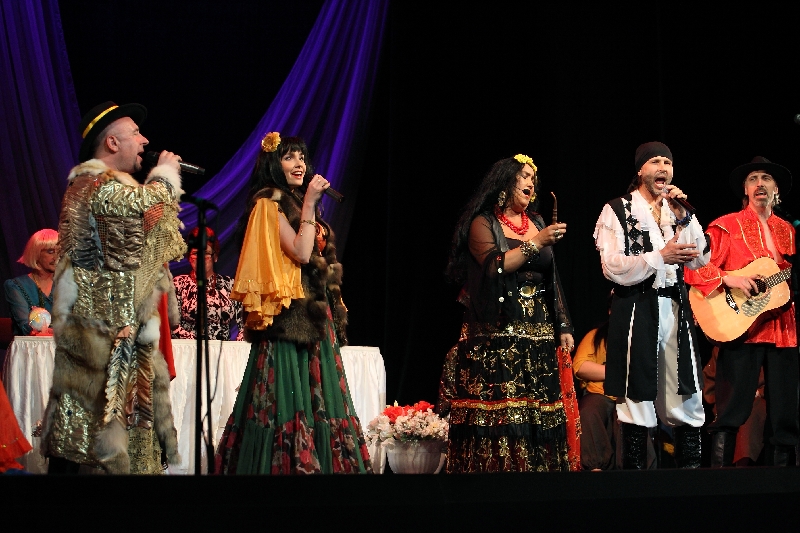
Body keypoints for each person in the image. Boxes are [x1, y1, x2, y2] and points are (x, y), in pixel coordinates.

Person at [40, 101, 186, 474]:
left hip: (119, 331)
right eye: (135, 132)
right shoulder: (91, 184)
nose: (145, 140)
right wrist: (165, 175)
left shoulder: (109, 188)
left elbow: (142, 233)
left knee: (118, 435)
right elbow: (142, 206)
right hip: (99, 337)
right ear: (112, 142)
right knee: (90, 439)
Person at [214, 132, 371, 474]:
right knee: (287, 394)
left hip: (316, 316)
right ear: (274, 164)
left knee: (320, 397)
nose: (299, 163)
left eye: (301, 157)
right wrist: (311, 203)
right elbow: (300, 252)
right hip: (289, 319)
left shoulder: (295, 201)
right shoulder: (268, 204)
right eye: (289, 157)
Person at [440, 153, 580, 473]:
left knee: (538, 412)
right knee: (505, 414)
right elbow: (495, 267)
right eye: (524, 176)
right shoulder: (483, 223)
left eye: (533, 178)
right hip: (498, 335)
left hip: (538, 334)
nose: (532, 182)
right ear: (505, 182)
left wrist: (563, 324)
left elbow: (551, 277)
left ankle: (539, 482)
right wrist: (536, 242)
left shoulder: (538, 222)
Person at [593, 141, 710, 469]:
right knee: (636, 392)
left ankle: (690, 478)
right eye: (656, 162)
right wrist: (660, 257)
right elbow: (612, 267)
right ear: (641, 169)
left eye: (668, 163)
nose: (663, 168)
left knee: (684, 390)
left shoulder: (677, 211)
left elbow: (701, 258)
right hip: (636, 307)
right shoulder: (618, 210)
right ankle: (634, 480)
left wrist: (685, 216)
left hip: (674, 308)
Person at [685, 156, 799, 467]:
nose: (760, 183)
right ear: (745, 191)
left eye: (766, 178)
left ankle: (783, 484)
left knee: (786, 413)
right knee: (731, 408)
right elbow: (694, 267)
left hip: (784, 328)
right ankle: (720, 482)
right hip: (741, 324)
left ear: (776, 189)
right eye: (753, 179)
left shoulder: (789, 230)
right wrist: (729, 278)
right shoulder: (726, 225)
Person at [172, 227, 244, 341]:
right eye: (196, 253)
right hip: (188, 348)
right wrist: (196, 343)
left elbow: (244, 325)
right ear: (189, 257)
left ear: (215, 257)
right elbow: (172, 325)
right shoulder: (178, 284)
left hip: (223, 350)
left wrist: (237, 346)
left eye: (206, 253)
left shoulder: (230, 285)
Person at [3, 228, 58, 336]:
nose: (57, 257)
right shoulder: (16, 286)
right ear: (36, 253)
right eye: (50, 251)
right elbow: (25, 327)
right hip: (32, 345)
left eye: (60, 252)